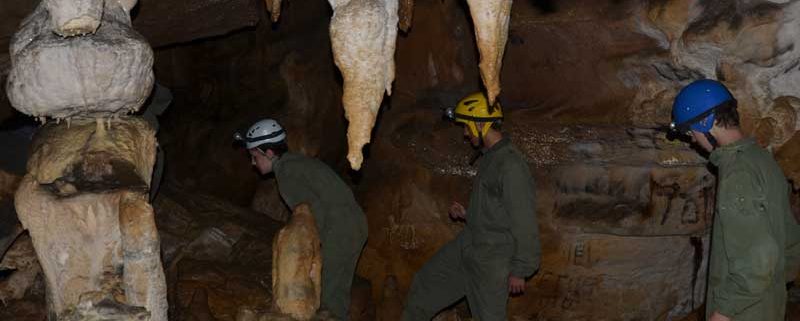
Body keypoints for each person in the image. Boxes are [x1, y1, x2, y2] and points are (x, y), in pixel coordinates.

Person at [401, 92, 541, 321]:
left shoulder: (510, 165)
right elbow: (497, 209)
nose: (465, 134)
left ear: (480, 124)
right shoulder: (490, 158)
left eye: (466, 126)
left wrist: (521, 269)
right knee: (424, 285)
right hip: (469, 244)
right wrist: (469, 214)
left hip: (492, 259)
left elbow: (524, 221)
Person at [670, 79, 800, 321]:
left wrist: (723, 312)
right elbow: (792, 243)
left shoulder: (737, 173)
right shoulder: (762, 159)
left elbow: (757, 259)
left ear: (705, 123)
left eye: (691, 131)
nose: (691, 139)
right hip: (769, 305)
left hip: (744, 313)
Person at [234, 118, 368, 320]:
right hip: (350, 224)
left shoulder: (287, 173)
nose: (253, 163)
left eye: (254, 156)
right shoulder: (297, 164)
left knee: (328, 297)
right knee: (335, 292)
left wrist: (315, 251)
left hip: (339, 229)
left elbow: (310, 215)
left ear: (269, 153)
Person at [141, 83, 172, 202]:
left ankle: (145, 203)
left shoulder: (153, 85)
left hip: (146, 133)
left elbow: (165, 99)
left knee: (157, 158)